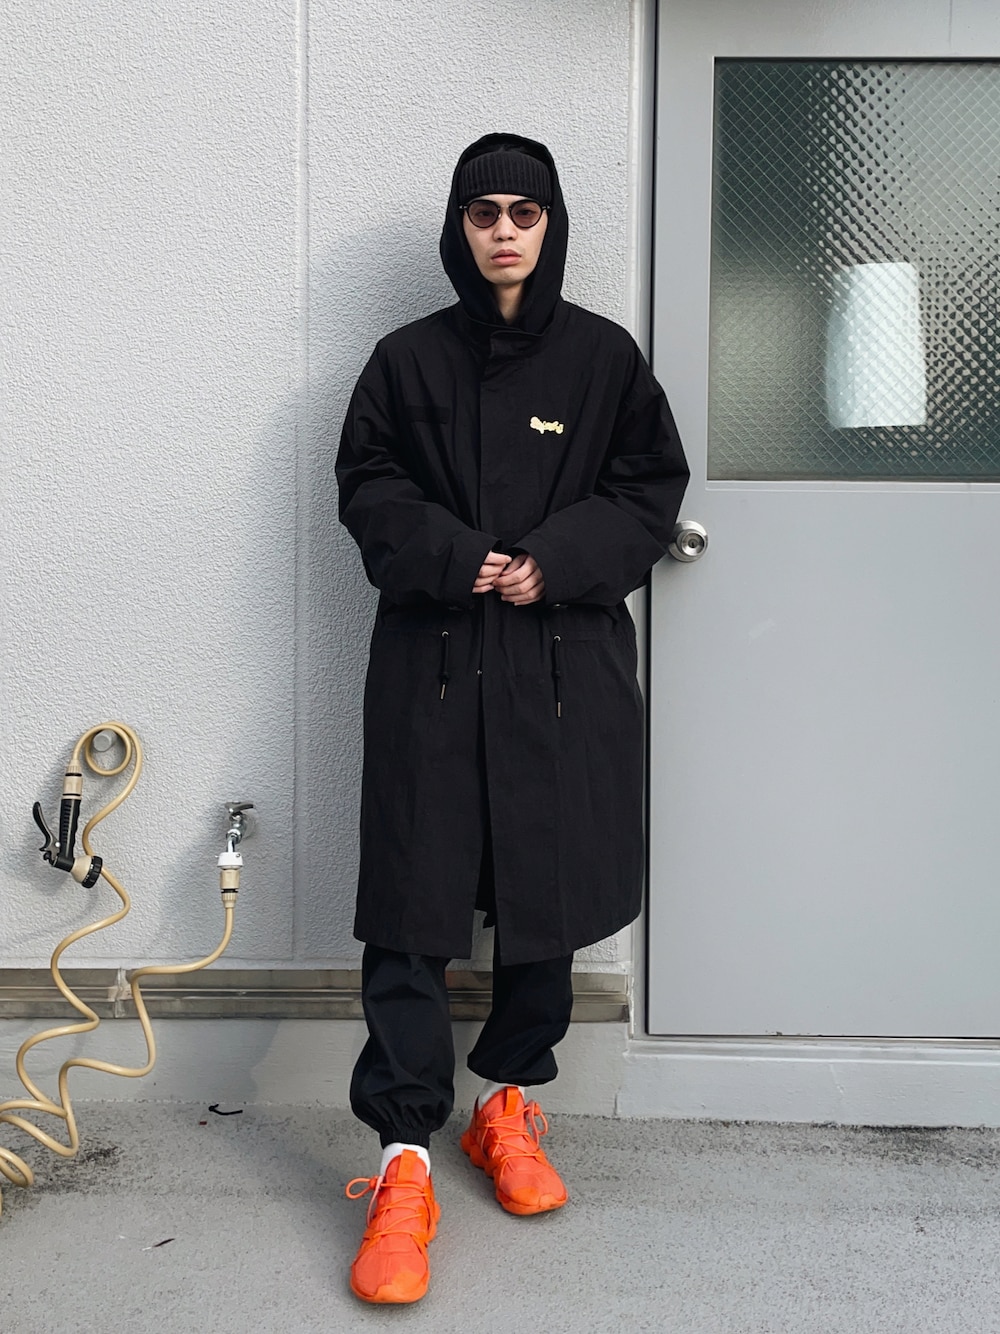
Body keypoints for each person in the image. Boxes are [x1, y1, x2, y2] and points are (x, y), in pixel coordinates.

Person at [335, 132, 689, 1304]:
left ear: (550, 225)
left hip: (558, 666)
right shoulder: (404, 360)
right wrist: (456, 555)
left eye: (523, 212)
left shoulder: (602, 359)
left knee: (549, 891)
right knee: (411, 901)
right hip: (433, 663)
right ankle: (401, 1156)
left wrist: (555, 559)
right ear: (459, 225)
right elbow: (368, 485)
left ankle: (508, 1103)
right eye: (483, 210)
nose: (503, 230)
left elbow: (648, 484)